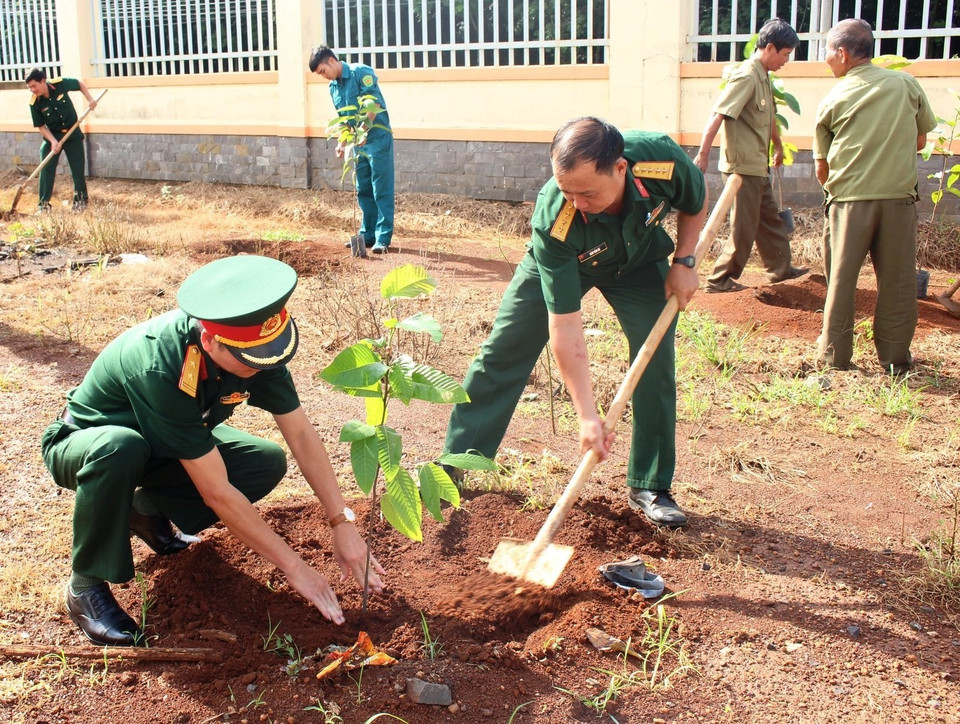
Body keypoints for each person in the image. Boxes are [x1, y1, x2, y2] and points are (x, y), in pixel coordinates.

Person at [41, 256, 385, 647]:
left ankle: (144, 511)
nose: (262, 366)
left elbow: (302, 434)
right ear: (209, 340)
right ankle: (84, 586)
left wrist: (342, 522)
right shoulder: (161, 365)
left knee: (263, 462)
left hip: (162, 447)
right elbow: (216, 491)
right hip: (86, 444)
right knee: (121, 447)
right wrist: (295, 567)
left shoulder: (253, 348)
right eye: (251, 359)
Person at [444, 117, 707, 528]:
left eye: (587, 192)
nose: (577, 203)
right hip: (569, 261)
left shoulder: (661, 160)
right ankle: (457, 461)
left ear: (620, 169)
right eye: (567, 191)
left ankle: (650, 484)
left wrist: (685, 261)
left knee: (654, 361)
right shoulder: (557, 217)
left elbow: (695, 200)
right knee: (504, 349)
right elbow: (566, 328)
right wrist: (587, 415)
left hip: (640, 263)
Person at [814, 19, 936, 374]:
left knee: (841, 279)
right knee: (898, 281)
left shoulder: (834, 96)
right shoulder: (906, 84)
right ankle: (896, 360)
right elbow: (920, 141)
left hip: (850, 201)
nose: (826, 61)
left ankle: (835, 358)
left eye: (826, 53)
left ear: (842, 53)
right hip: (898, 200)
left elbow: (821, 165)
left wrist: (836, 192)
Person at [694, 18, 807, 293]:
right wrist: (702, 154)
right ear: (770, 47)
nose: (785, 61)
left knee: (770, 219)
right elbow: (718, 114)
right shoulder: (746, 76)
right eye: (784, 54)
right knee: (744, 227)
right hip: (742, 167)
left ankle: (780, 269)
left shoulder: (763, 75)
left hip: (758, 164)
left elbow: (768, 119)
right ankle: (719, 278)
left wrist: (778, 147)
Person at [309, 45, 395, 254]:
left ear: (331, 60)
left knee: (380, 188)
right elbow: (345, 118)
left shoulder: (360, 72)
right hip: (358, 142)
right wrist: (342, 142)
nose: (324, 76)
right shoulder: (333, 88)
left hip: (377, 138)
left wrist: (364, 131)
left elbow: (372, 105)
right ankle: (367, 235)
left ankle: (382, 238)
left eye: (323, 71)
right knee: (363, 188)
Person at [25, 68, 98, 213]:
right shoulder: (34, 103)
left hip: (72, 133)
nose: (32, 90)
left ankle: (80, 201)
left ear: (43, 81)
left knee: (77, 169)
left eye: (34, 86)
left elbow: (79, 84)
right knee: (46, 168)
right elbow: (40, 126)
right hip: (52, 135)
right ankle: (43, 205)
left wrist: (90, 99)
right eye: (29, 87)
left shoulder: (60, 84)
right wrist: (52, 141)